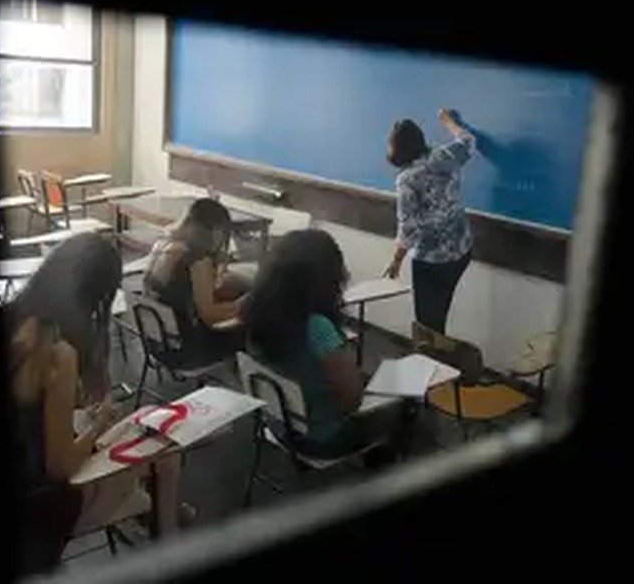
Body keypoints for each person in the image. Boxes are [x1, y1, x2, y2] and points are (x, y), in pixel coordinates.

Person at [6, 232, 185, 576]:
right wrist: (100, 423)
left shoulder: (13, 318)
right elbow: (62, 468)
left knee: (134, 435)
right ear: (97, 296)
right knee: (165, 452)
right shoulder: (57, 352)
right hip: (40, 512)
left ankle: (158, 517)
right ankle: (170, 543)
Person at [242, 229, 409, 463]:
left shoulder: (254, 310)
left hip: (279, 424)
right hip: (321, 440)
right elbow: (353, 399)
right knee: (404, 402)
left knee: (368, 378)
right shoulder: (318, 328)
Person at [383, 108, 477, 334]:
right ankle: (441, 357)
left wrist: (396, 262)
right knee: (438, 315)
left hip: (433, 261)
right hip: (461, 249)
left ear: (400, 149)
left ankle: (435, 363)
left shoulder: (407, 180)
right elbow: (468, 140)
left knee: (427, 326)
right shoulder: (443, 155)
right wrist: (449, 121)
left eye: (390, 143)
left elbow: (408, 229)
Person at [144, 198, 250, 363]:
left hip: (158, 342)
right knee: (256, 322)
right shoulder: (197, 259)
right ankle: (251, 379)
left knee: (232, 291)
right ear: (214, 231)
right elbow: (210, 315)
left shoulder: (163, 244)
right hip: (187, 351)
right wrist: (246, 304)